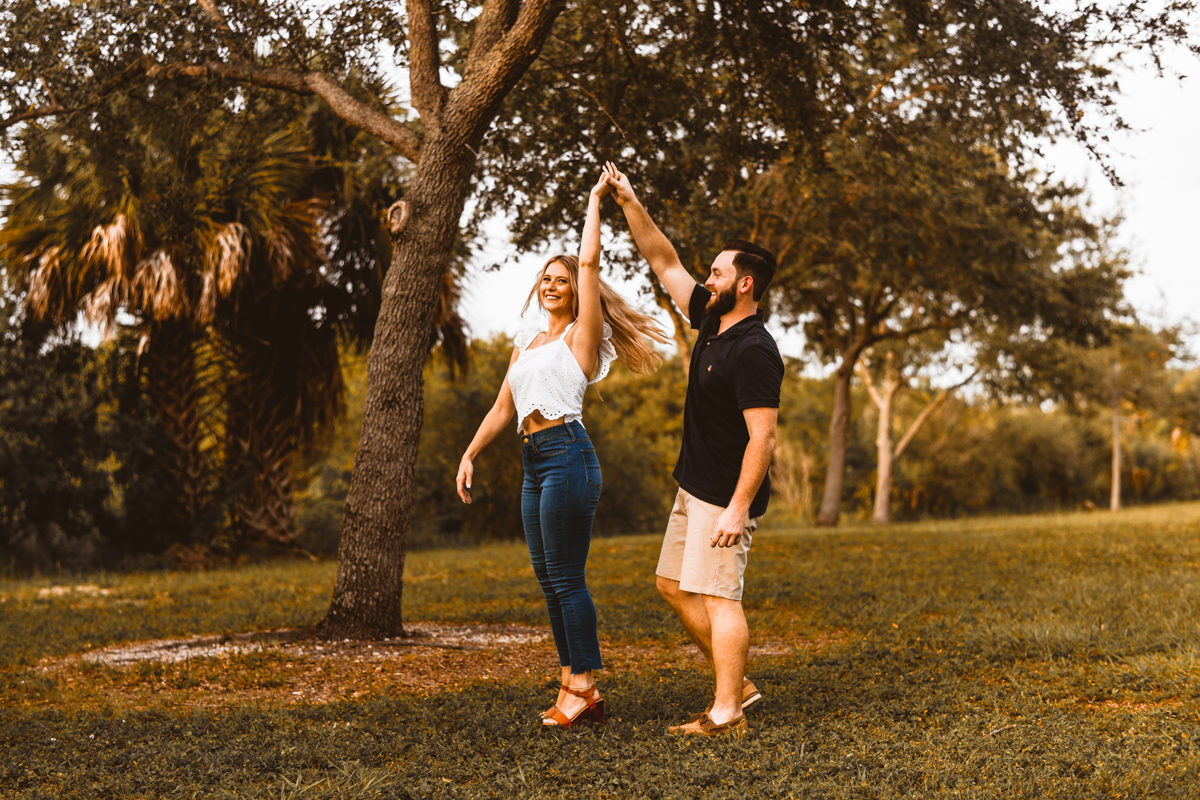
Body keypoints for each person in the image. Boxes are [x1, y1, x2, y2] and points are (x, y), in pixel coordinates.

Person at [456, 164, 669, 729]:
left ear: (578, 290)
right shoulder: (525, 341)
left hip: (569, 456)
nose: (553, 284)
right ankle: (577, 682)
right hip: (533, 462)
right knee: (548, 578)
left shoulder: (583, 335)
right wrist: (470, 453)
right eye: (546, 278)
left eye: (563, 279)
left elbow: (592, 262)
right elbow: (504, 407)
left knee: (568, 577)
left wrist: (596, 201)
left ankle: (582, 686)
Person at [604, 165, 783, 738]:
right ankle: (739, 684)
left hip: (724, 496)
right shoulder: (710, 316)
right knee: (672, 585)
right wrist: (630, 200)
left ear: (745, 283)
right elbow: (663, 261)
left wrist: (737, 508)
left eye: (718, 270)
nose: (706, 277)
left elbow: (764, 437)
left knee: (719, 597)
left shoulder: (754, 350)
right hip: (693, 485)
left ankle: (727, 712)